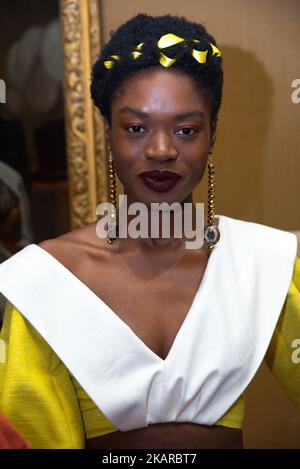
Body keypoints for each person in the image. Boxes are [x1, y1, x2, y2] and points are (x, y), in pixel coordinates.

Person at [0, 13, 299, 449]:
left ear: (211, 135)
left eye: (186, 129)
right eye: (136, 128)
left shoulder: (262, 263)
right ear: (108, 133)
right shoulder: (46, 281)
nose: (161, 150)